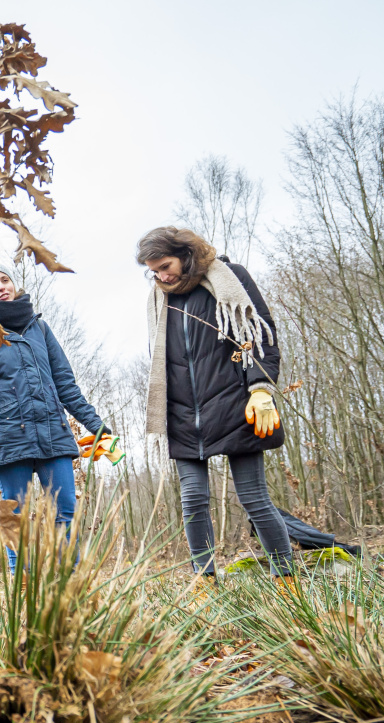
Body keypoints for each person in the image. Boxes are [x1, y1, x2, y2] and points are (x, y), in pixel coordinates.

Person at [137, 226, 295, 592]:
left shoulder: (228, 277)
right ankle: (205, 583)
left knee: (254, 498)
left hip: (234, 404)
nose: (162, 277)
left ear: (185, 254)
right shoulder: (160, 298)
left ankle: (286, 580)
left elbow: (260, 334)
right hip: (182, 413)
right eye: (154, 271)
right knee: (192, 500)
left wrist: (259, 388)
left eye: (165, 266)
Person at [0, 270, 114, 569]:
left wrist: (94, 423)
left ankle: (68, 585)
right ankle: (23, 588)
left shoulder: (39, 328)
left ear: (15, 285)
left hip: (53, 431)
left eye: (5, 280)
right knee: (14, 519)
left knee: (65, 512)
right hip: (9, 435)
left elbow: (65, 383)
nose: (1, 287)